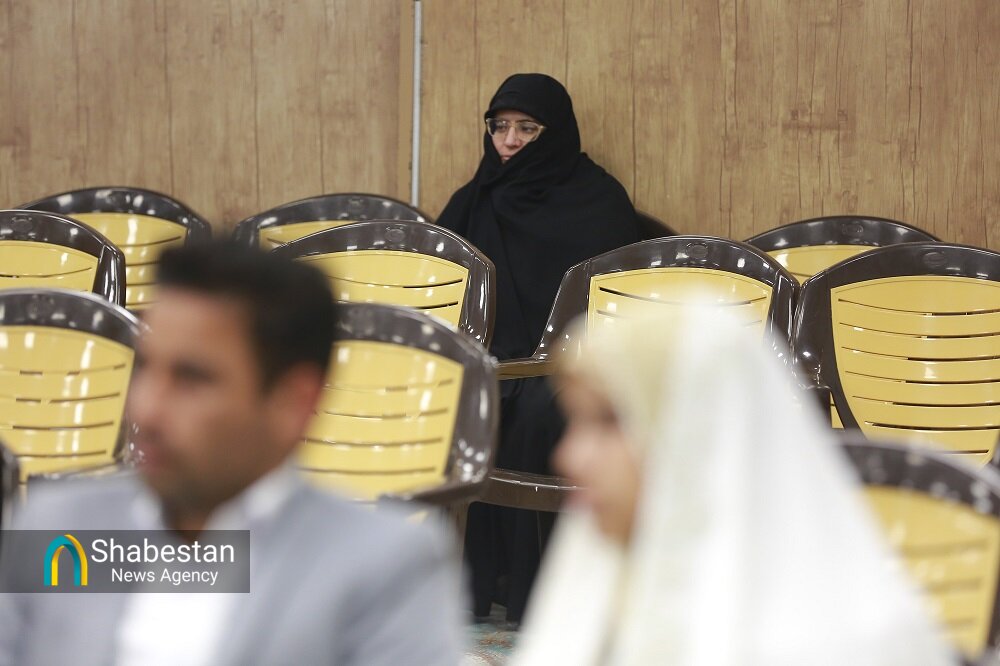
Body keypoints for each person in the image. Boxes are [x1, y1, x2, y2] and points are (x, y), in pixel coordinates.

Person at [0, 242, 465, 666]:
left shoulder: (381, 565)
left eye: (191, 379)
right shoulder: (62, 527)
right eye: (144, 368)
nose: (146, 409)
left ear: (293, 403)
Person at [512, 311, 960, 665]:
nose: (568, 457)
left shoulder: (843, 643)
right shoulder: (605, 583)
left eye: (610, 423)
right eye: (574, 423)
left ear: (706, 437)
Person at [438, 72, 641, 622]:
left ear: (555, 132)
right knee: (457, 398)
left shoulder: (596, 201)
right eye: (499, 126)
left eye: (526, 128)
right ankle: (463, 586)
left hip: (568, 365)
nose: (508, 141)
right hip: (487, 359)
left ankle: (536, 592)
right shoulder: (473, 200)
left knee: (535, 412)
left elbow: (611, 307)